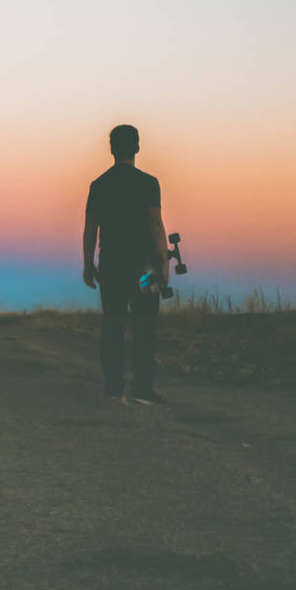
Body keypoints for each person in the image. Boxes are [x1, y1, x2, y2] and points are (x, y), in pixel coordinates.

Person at [82, 124, 170, 405]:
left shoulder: (98, 185)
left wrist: (88, 264)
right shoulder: (148, 183)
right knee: (145, 327)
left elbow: (90, 229)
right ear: (137, 147)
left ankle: (113, 388)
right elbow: (156, 225)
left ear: (111, 148)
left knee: (113, 325)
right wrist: (164, 264)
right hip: (146, 269)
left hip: (111, 268)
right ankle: (142, 390)